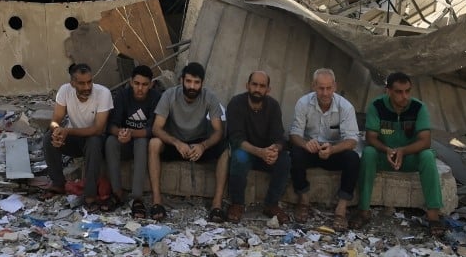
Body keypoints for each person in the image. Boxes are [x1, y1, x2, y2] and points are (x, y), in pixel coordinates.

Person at [353, 72, 443, 237]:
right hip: (384, 156)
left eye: (408, 91)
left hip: (408, 157)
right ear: (388, 91)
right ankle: (363, 210)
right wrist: (387, 149)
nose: (405, 96)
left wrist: (403, 151)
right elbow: (370, 137)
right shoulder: (377, 106)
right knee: (368, 152)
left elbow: (425, 141)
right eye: (399, 92)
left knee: (428, 156)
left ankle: (433, 216)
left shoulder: (418, 107)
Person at [148, 62, 229, 222]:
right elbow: (156, 128)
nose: (192, 86)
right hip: (174, 143)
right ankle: (157, 201)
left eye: (196, 82)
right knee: (154, 143)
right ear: (182, 80)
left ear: (202, 83)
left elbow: (219, 131)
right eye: (189, 81)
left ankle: (217, 205)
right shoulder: (169, 95)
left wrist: (203, 146)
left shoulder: (209, 97)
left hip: (198, 144)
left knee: (225, 149)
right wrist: (177, 143)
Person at [288, 68, 361, 231]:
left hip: (334, 151)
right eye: (321, 88)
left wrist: (333, 149)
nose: (325, 92)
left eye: (329, 88)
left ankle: (341, 208)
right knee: (295, 153)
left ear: (335, 86)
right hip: (311, 150)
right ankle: (304, 200)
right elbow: (294, 134)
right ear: (314, 86)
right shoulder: (303, 103)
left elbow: (352, 140)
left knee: (353, 158)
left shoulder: (345, 107)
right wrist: (305, 144)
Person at [43, 63, 113, 210]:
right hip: (75, 138)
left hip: (96, 140)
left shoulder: (103, 93)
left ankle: (90, 195)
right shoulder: (64, 90)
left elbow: (98, 129)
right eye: (82, 83)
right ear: (72, 83)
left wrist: (67, 131)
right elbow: (55, 120)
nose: (87, 87)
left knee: (94, 142)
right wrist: (57, 131)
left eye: (89, 82)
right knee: (48, 137)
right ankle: (58, 184)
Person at [224, 70, 291, 224]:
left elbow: (279, 137)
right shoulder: (236, 103)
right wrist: (259, 152)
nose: (257, 89)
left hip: (265, 154)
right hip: (247, 151)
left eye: (262, 86)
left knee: (285, 160)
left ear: (268, 89)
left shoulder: (273, 106)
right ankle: (237, 203)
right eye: (254, 84)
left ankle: (271, 204)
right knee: (239, 156)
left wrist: (274, 150)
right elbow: (236, 138)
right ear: (247, 85)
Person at [104, 65, 162, 219]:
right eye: (137, 83)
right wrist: (121, 133)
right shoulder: (122, 96)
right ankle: (117, 193)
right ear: (131, 82)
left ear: (151, 84)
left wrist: (131, 133)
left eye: (144, 84)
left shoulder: (156, 98)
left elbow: (153, 129)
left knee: (142, 142)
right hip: (124, 141)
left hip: (142, 142)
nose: (140, 88)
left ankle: (138, 198)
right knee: (110, 141)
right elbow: (111, 125)